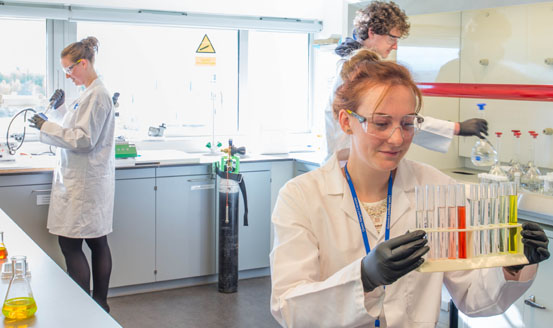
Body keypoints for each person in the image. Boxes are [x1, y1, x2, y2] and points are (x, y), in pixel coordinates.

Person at [270, 49, 549, 327]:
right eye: (381, 123)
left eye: (407, 123)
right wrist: (364, 277)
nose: (397, 138)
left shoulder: (437, 188)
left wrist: (512, 266)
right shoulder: (301, 196)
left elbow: (472, 296)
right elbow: (289, 309)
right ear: (346, 121)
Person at [325, 0, 488, 159]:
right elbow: (397, 120)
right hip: (351, 162)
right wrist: (457, 128)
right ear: (372, 32)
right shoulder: (361, 69)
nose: (395, 46)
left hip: (345, 160)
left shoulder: (348, 62)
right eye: (392, 38)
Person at [28, 36, 115, 312]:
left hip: (85, 185)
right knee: (96, 241)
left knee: (71, 243)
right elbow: (74, 127)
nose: (68, 75)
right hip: (84, 182)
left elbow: (83, 139)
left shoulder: (98, 94)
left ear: (84, 63)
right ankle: (98, 305)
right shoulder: (88, 93)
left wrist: (45, 127)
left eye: (69, 69)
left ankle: (88, 307)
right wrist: (61, 109)